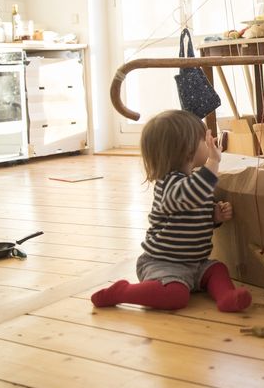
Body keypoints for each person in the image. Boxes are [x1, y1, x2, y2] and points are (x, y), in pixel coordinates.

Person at [91, 110, 252, 311]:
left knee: (218, 269)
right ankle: (122, 292)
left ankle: (227, 296)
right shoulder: (168, 184)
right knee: (176, 296)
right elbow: (191, 195)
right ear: (187, 151)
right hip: (163, 264)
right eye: (203, 141)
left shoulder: (191, 182)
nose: (208, 146)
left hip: (196, 262)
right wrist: (213, 161)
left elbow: (194, 212)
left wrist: (214, 215)